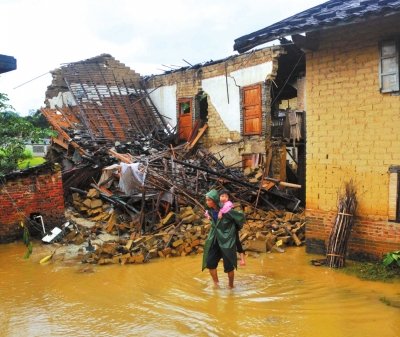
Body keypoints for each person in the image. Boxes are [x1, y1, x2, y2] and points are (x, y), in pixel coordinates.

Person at [202, 189, 245, 289]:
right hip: (215, 240)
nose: (207, 202)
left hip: (227, 241)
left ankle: (231, 286)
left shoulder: (227, 210)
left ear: (214, 200)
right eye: (206, 200)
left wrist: (233, 230)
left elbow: (240, 218)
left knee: (229, 266)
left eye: (209, 200)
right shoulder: (210, 211)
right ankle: (216, 284)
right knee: (210, 263)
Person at [218, 190, 246, 266]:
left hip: (232, 227)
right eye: (222, 196)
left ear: (228, 198)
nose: (224, 198)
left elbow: (226, 210)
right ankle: (225, 256)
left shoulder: (229, 204)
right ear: (219, 197)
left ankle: (242, 259)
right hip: (224, 228)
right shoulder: (218, 205)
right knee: (222, 241)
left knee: (237, 242)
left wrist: (220, 212)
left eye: (226, 196)